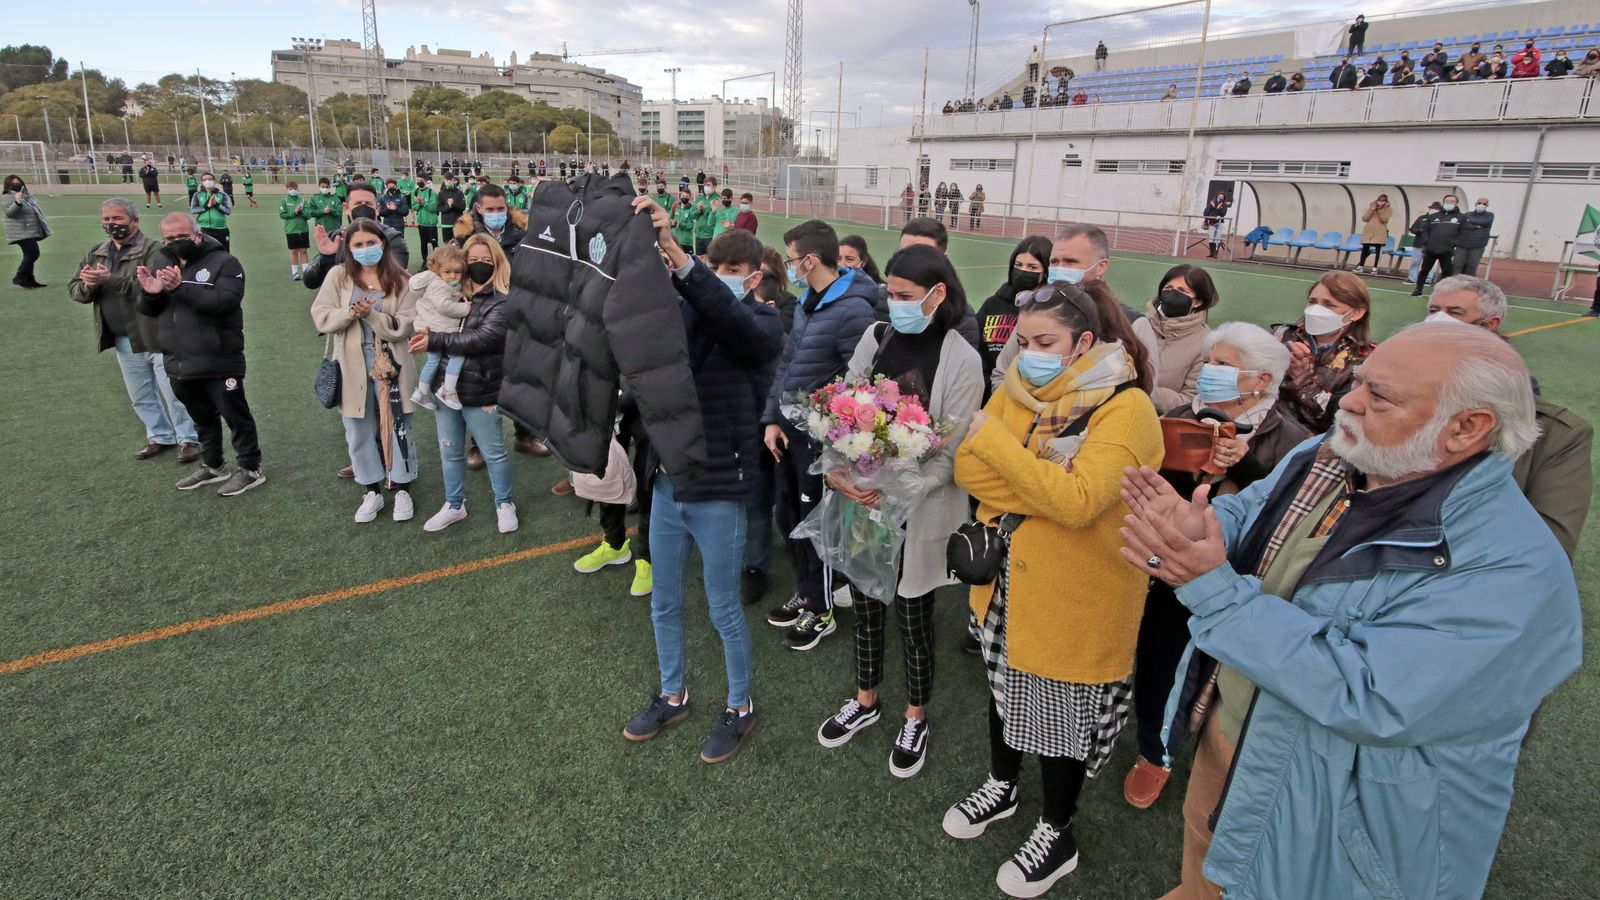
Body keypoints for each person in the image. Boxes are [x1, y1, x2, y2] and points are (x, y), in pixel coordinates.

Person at [1120, 323, 1580, 900]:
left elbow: (1367, 694)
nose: (1349, 401)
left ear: (1467, 428)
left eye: (1379, 395)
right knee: (1206, 855)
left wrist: (1210, 587)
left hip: (1344, 800)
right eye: (1359, 382)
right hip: (1239, 730)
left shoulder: (1513, 570)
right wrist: (1202, 529)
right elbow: (1258, 518)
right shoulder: (1332, 450)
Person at [944, 280, 1161, 899]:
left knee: (1058, 719)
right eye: (1024, 339)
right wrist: (1038, 481)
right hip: (1006, 582)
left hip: (1076, 595)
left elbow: (1079, 501)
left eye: (1046, 341)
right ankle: (1003, 786)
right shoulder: (1018, 386)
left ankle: (1057, 829)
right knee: (1004, 690)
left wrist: (993, 443)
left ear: (1084, 342)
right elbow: (969, 473)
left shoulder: (1127, 409)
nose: (1029, 351)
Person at [619, 201, 783, 763]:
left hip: (719, 489)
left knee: (722, 608)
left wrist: (679, 258)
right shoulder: (693, 307)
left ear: (756, 278)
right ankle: (673, 695)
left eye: (732, 272)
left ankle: (740, 707)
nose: (722, 280)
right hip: (670, 482)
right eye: (717, 270)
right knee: (664, 602)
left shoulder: (762, 323)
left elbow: (732, 324)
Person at [1121, 322, 1308, 813]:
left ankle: (1183, 756)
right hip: (1168, 565)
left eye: (1225, 365)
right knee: (1159, 656)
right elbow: (1153, 481)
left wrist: (1244, 466)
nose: (1210, 372)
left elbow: (1284, 511)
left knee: (1207, 672)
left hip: (1241, 579)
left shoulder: (1292, 440)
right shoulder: (1182, 415)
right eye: (1209, 362)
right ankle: (1151, 743)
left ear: (1262, 380)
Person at [814, 244, 983, 778]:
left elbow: (951, 452)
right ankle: (865, 700)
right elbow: (843, 410)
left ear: (938, 294)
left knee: (913, 618)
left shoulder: (962, 357)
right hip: (863, 505)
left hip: (920, 511)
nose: (893, 302)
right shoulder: (877, 335)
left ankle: (915, 715)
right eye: (889, 291)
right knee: (865, 606)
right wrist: (837, 471)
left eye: (905, 295)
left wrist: (897, 490)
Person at [762, 220, 879, 649]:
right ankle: (810, 592)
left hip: (820, 443)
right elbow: (787, 365)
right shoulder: (811, 302)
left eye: (792, 258)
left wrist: (835, 442)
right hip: (792, 435)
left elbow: (860, 385)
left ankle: (823, 607)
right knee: (790, 518)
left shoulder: (854, 310)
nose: (789, 265)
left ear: (809, 260)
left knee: (818, 527)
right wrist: (772, 418)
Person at [1424, 276, 1593, 558]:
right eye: (1433, 310)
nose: (1439, 319)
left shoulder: (1556, 432)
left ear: (1490, 325)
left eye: (1454, 312)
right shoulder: (1397, 394)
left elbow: (1549, 546)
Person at [134, 213, 263, 496]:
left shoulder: (224, 263)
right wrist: (152, 293)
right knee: (201, 417)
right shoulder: (161, 262)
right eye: (169, 238)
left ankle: (250, 468)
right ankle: (214, 465)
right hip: (179, 359)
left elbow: (225, 301)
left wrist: (180, 288)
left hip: (219, 357)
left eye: (181, 237)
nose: (175, 243)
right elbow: (149, 308)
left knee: (235, 414)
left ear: (197, 234)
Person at [68, 199, 200, 462]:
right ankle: (159, 435)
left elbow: (153, 287)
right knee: (139, 394)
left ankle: (189, 439)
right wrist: (90, 284)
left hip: (156, 334)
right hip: (122, 338)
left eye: (117, 218)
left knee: (174, 392)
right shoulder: (97, 252)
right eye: (106, 219)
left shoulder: (154, 250)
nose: (111, 224)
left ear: (134, 221)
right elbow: (75, 290)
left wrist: (110, 279)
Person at [406, 233, 518, 534]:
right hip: (446, 389)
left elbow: (484, 338)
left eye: (486, 260)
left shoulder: (501, 300)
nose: (480, 265)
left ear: (496, 263)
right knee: (449, 451)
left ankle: (504, 503)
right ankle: (454, 505)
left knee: (493, 452)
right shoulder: (450, 292)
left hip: (481, 390)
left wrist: (434, 338)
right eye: (473, 260)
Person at [310, 219, 419, 524]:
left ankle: (401, 487)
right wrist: (348, 313)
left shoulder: (401, 279)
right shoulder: (339, 276)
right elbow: (321, 316)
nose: (364, 249)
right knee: (357, 426)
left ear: (383, 243)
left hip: (392, 364)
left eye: (370, 243)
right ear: (349, 248)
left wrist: (372, 316)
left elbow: (404, 326)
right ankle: (371, 489)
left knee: (398, 422)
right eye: (357, 245)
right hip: (351, 363)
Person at [1273, 271, 1375, 433]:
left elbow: (1337, 418)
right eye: (1312, 302)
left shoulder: (1365, 359)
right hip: (1264, 425)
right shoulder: (1283, 335)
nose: (1316, 310)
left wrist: (1302, 377)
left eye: (1329, 305)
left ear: (1357, 312)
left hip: (1311, 440)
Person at [1133, 264, 1218, 410]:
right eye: (1168, 288)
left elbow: (1191, 400)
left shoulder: (1207, 344)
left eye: (1182, 290)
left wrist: (1145, 390)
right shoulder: (1140, 324)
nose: (1172, 294)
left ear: (1198, 301)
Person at [301, 182, 411, 290]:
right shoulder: (335, 237)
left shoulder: (393, 238)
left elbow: (394, 275)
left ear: (377, 208)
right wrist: (327, 257)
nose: (363, 207)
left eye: (368, 203)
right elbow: (311, 282)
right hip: (344, 304)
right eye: (358, 203)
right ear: (346, 208)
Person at [976, 236, 1051, 393]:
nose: (1023, 271)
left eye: (1032, 267)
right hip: (986, 393)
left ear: (1045, 272)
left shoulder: (1048, 311)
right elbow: (976, 349)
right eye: (1018, 265)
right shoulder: (993, 304)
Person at [1410, 193, 1465, 296]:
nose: (1449, 203)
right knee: (1424, 270)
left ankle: (1445, 293)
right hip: (1431, 249)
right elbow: (1425, 230)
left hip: (1447, 249)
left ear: (1457, 203)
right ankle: (1418, 289)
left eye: (1452, 201)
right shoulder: (1433, 216)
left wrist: (1455, 243)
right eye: (1447, 201)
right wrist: (1427, 241)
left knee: (1447, 272)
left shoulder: (1461, 217)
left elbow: (1463, 232)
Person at [4, 174, 49, 289]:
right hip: (20, 232)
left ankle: (28, 280)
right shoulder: (7, 197)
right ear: (8, 185)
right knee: (33, 253)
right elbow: (10, 213)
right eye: (14, 183)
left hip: (29, 230)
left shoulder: (26, 196)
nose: (17, 185)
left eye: (19, 183)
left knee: (29, 254)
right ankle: (19, 276)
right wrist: (17, 202)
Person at [277, 181, 314, 281]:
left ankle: (306, 273)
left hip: (303, 229)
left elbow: (308, 215)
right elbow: (283, 215)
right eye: (290, 189)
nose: (293, 190)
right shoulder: (284, 201)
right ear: (286, 190)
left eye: (294, 188)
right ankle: (295, 273)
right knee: (293, 251)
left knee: (304, 250)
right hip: (291, 230)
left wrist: (301, 212)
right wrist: (294, 212)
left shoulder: (302, 201)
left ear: (298, 189)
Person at [188, 173, 233, 251]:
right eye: (205, 180)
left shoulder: (223, 195)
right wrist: (206, 206)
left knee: (223, 253)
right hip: (203, 229)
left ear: (214, 181)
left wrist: (216, 204)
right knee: (203, 254)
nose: (208, 181)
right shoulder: (197, 195)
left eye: (210, 179)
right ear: (202, 182)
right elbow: (194, 210)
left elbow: (228, 211)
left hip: (221, 229)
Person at [1455, 197, 1494, 276]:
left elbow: (1484, 222)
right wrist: (1476, 227)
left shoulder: (1490, 215)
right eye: (1479, 203)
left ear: (1487, 205)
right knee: (1457, 264)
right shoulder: (1467, 214)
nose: (1481, 205)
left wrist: (1470, 223)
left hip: (1478, 245)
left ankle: (1469, 284)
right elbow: (1463, 224)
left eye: (1484, 204)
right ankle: (1454, 282)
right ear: (1475, 204)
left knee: (1472, 265)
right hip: (1463, 243)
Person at [1354, 193, 1391, 274]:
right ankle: (1361, 266)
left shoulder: (1388, 209)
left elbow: (1384, 219)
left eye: (1383, 201)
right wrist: (1371, 210)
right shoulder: (1372, 208)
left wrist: (1379, 211)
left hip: (1380, 232)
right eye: (1380, 200)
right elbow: (1364, 218)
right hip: (1369, 232)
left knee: (1378, 250)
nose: (1381, 202)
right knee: (1365, 249)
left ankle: (1375, 267)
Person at [412, 174, 440, 266]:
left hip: (431, 223)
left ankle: (437, 262)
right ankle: (425, 262)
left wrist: (423, 202)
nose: (419, 181)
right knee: (423, 244)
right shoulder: (415, 192)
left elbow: (433, 208)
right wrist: (419, 203)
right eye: (418, 180)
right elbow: (414, 207)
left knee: (434, 243)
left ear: (426, 180)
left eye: (421, 180)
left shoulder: (432, 193)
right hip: (421, 223)